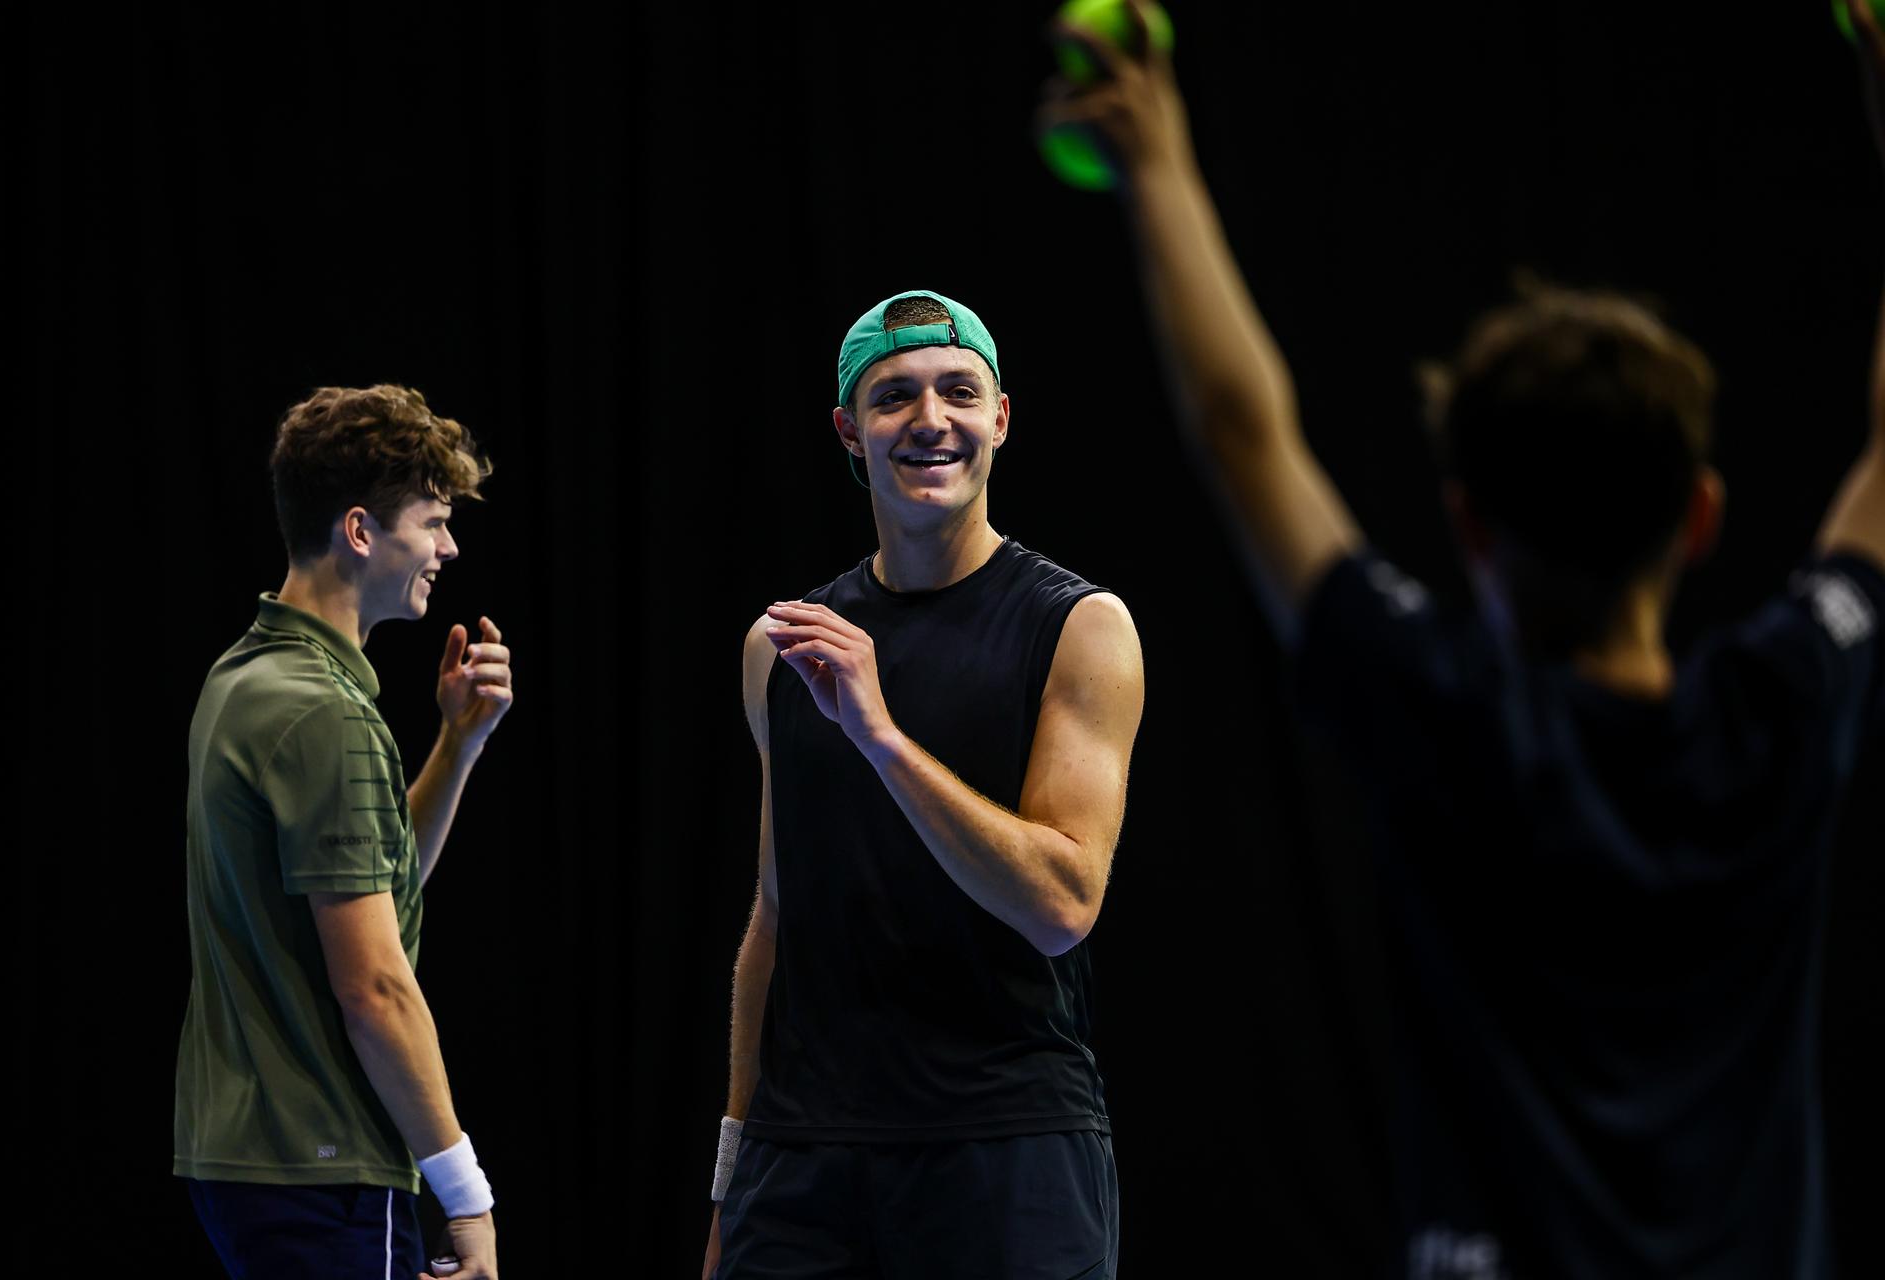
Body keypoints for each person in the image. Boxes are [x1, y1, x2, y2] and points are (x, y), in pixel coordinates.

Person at [1040, 3, 1885, 1275]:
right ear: (1702, 515)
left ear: (1468, 528)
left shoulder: (1439, 711)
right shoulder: (1784, 706)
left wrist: (1156, 163)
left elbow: (1242, 429)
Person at [701, 291, 1145, 1279]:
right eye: (894, 396)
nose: (930, 418)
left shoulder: (1079, 626)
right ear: (849, 432)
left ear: (1001, 418)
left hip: (1008, 1146)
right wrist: (732, 1174)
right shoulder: (781, 648)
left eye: (958, 391)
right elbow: (774, 915)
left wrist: (880, 734)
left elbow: (1063, 900)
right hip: (803, 1158)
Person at [174, 385, 514, 1280]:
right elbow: (375, 986)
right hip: (323, 1168)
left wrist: (458, 744)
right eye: (432, 521)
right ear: (360, 532)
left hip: (251, 1164)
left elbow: (376, 890)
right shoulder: (323, 714)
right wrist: (466, 1194)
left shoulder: (245, 679)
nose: (448, 547)